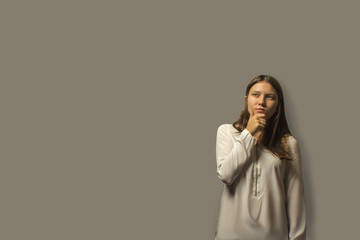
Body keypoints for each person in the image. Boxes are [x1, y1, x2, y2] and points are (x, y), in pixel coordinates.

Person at [214, 75, 307, 240]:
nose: (261, 102)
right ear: (246, 99)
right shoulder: (227, 132)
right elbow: (226, 175)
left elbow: (295, 200)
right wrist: (249, 134)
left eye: (270, 97)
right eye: (255, 95)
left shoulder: (288, 143)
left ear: (278, 105)